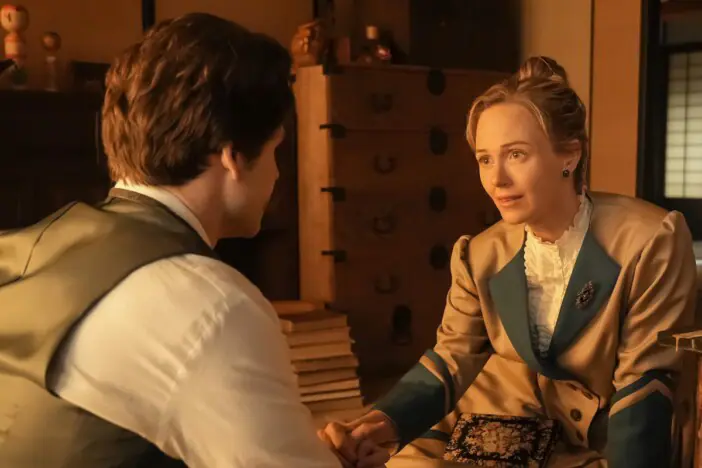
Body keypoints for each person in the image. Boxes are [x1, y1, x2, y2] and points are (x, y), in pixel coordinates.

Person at [0, 13, 385, 468]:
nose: (278, 173)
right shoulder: (214, 306)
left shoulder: (26, 247)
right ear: (233, 156)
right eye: (275, 150)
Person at [321, 56, 698, 467]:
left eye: (516, 154)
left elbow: (645, 380)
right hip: (496, 417)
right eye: (485, 159)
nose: (496, 179)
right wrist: (380, 423)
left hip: (602, 437)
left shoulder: (649, 239)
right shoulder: (479, 254)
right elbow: (451, 357)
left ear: (569, 156)